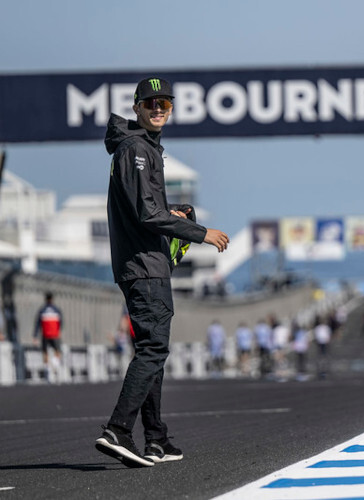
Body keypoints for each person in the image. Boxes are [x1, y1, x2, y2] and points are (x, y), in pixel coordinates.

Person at [95, 77, 230, 468]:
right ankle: (118, 430)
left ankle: (156, 438)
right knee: (154, 350)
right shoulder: (136, 149)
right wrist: (201, 232)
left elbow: (146, 209)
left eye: (165, 104)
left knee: (150, 351)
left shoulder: (140, 148)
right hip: (144, 266)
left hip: (142, 263)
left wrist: (171, 214)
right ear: (137, 107)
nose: (158, 109)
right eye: (151, 103)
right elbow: (146, 214)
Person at [33, 292, 63, 382]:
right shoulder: (57, 310)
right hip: (55, 335)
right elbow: (61, 323)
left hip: (45, 335)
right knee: (57, 351)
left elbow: (38, 324)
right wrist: (58, 331)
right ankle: (55, 364)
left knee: (45, 351)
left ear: (45, 299)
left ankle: (47, 369)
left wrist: (35, 336)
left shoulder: (42, 310)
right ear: (52, 299)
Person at [313, 315, 332, 379]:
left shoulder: (322, 327)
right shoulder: (322, 327)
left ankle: (323, 368)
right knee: (322, 356)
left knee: (323, 356)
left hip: (322, 343)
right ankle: (322, 368)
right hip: (321, 343)